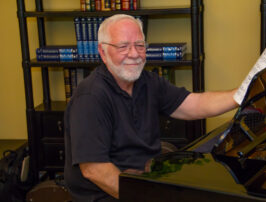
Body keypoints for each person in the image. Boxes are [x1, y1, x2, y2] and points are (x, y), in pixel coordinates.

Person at [64, 14, 238, 202]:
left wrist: (240, 94)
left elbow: (192, 104)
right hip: (108, 194)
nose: (134, 54)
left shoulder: (147, 81)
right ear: (103, 52)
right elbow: (94, 170)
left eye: (140, 45)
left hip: (145, 180)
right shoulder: (91, 97)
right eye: (123, 46)